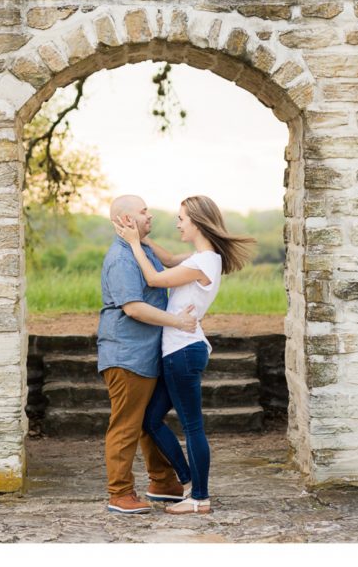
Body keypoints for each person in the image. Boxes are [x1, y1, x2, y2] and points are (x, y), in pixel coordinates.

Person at [114, 195, 255, 515]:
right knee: (150, 420)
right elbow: (165, 259)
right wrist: (141, 235)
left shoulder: (203, 263)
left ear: (197, 222)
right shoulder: (202, 257)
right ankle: (190, 477)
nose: (177, 223)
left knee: (192, 426)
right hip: (179, 349)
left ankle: (199, 497)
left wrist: (135, 245)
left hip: (183, 350)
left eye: (181, 218)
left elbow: (154, 278)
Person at [99, 194, 197, 515]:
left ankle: (163, 482)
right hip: (126, 355)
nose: (150, 216)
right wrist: (178, 322)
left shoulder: (141, 249)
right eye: (143, 212)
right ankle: (120, 493)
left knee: (146, 422)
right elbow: (133, 308)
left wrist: (208, 252)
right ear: (126, 220)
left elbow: (170, 261)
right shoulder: (122, 259)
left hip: (144, 355)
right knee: (126, 425)